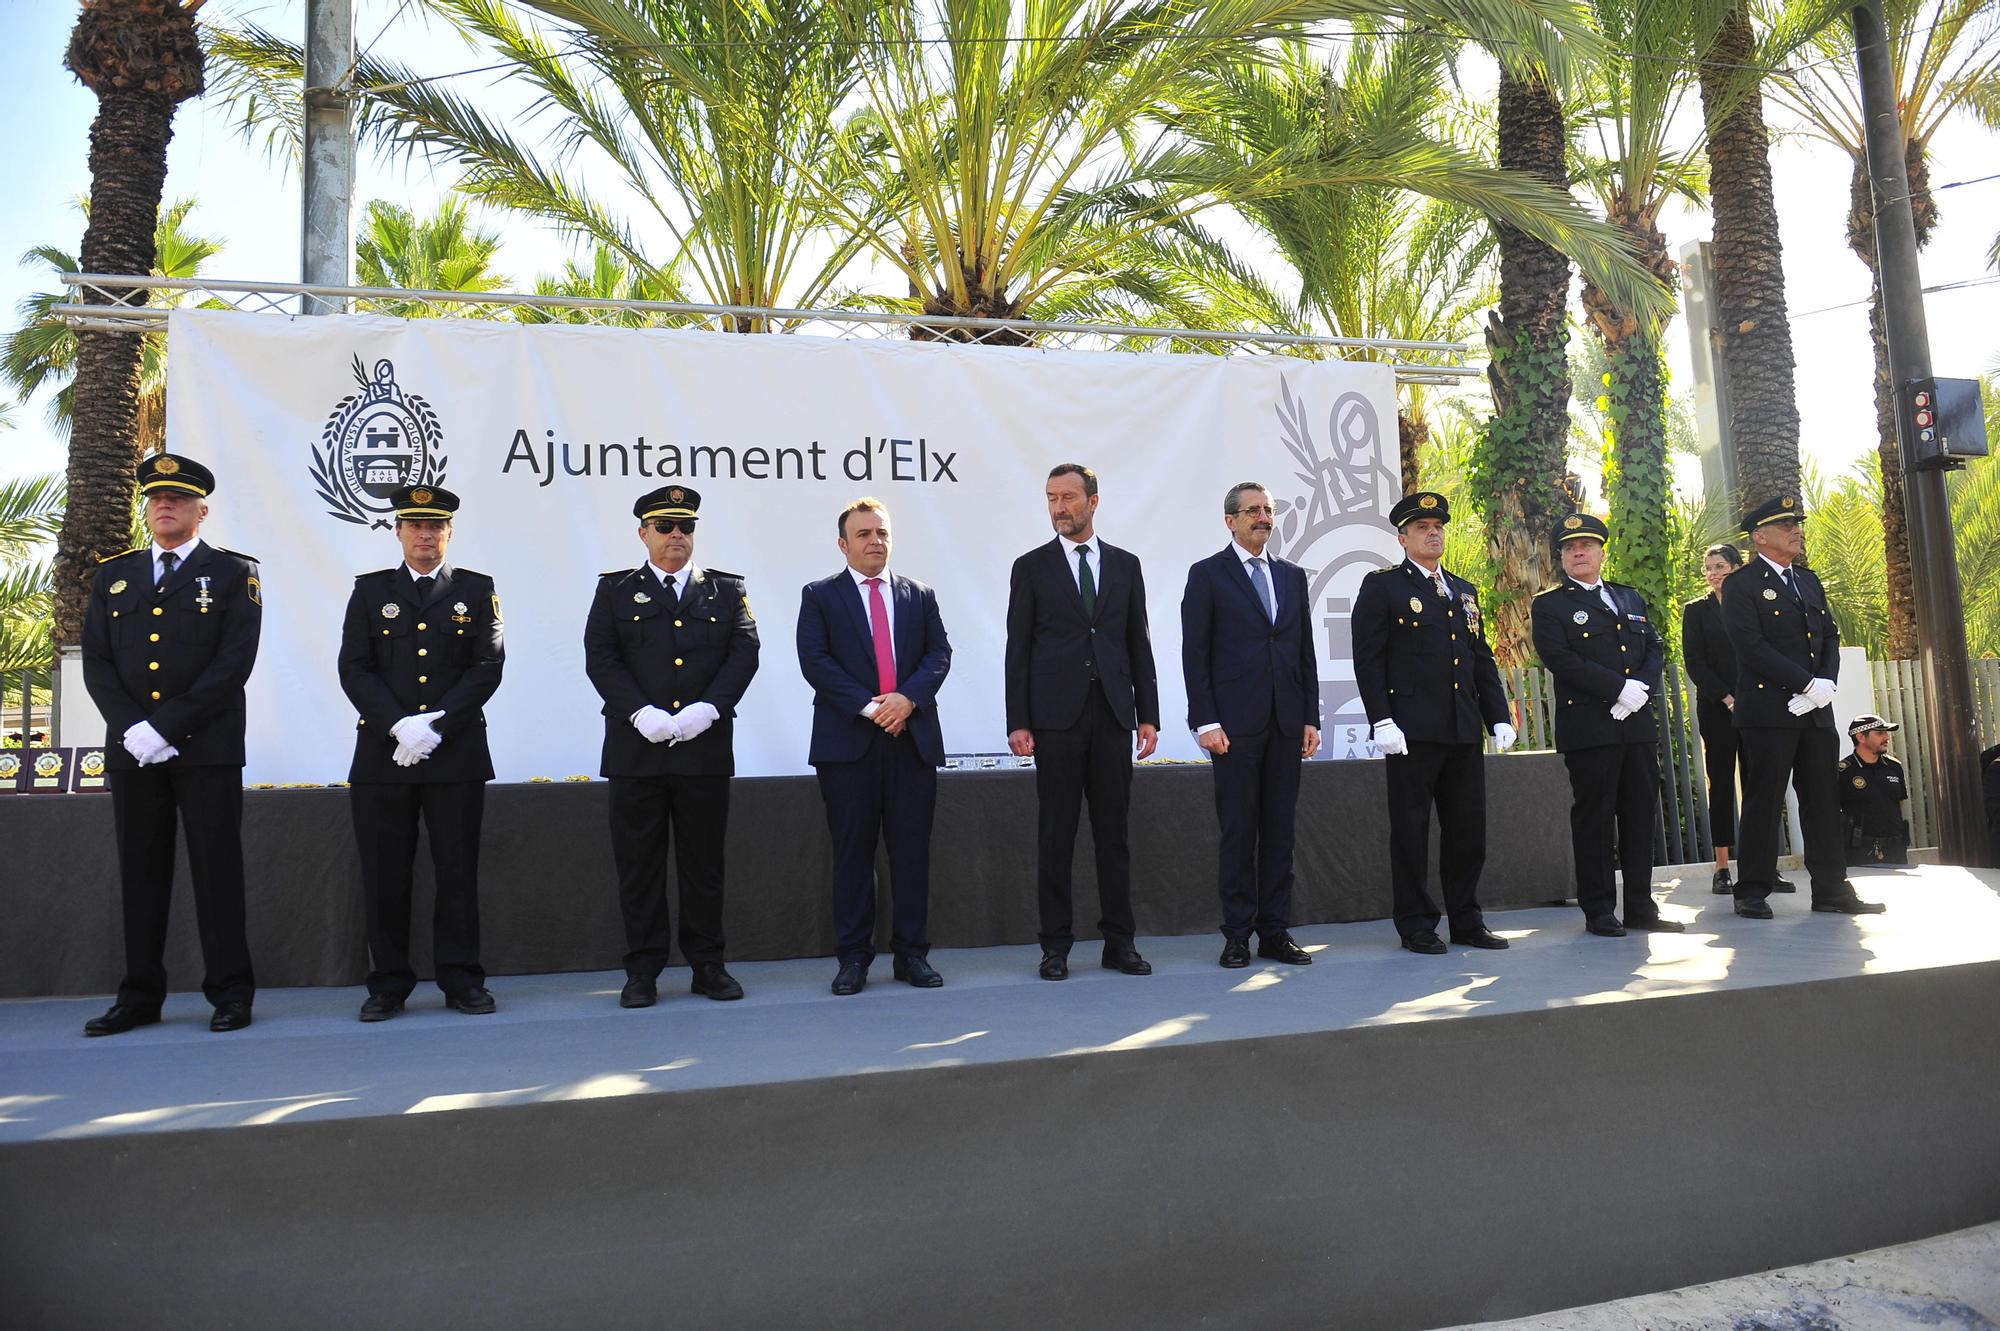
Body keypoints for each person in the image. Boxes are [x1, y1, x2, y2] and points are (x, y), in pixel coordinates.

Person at [79, 453, 262, 1036]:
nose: (164, 505)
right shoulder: (115, 575)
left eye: (178, 498)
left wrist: (166, 727)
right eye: (157, 498)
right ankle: (139, 996)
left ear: (200, 511)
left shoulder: (234, 575)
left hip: (204, 749)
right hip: (134, 751)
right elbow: (100, 663)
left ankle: (231, 993)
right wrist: (134, 728)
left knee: (217, 872)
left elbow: (233, 663)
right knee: (141, 872)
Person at [584, 484, 760, 1008]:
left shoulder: (726, 590)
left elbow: (744, 651)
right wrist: (640, 713)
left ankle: (709, 966)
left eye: (685, 527)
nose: (676, 536)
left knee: (703, 866)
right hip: (636, 752)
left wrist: (710, 709)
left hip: (702, 750)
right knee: (639, 867)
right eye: (664, 527)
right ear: (643, 534)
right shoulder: (615, 590)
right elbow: (601, 656)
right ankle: (642, 971)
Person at [337, 484, 505, 1020]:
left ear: (449, 533)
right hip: (384, 756)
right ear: (399, 531)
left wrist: (437, 728)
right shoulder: (370, 591)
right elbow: (354, 667)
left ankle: (461, 980)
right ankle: (387, 983)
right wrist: (400, 726)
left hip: (454, 754)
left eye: (435, 526)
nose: (425, 534)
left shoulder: (477, 590)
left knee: (456, 871)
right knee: (386, 874)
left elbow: (488, 666)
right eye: (415, 524)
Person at [1005, 464, 1160, 981]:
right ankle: (1055, 946)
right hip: (1055, 719)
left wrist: (1149, 715)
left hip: (1114, 715)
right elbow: (1018, 650)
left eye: (1068, 497)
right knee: (1056, 835)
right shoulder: (1030, 567)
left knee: (1114, 836)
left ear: (1093, 502)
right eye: (1051, 498)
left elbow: (1137, 641)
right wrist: (1018, 721)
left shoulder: (1125, 564)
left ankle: (1120, 942)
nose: (1059, 508)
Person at [797, 498, 953, 995]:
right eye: (863, 534)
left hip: (911, 742)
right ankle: (853, 959)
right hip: (849, 747)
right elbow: (815, 661)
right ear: (844, 544)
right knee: (852, 855)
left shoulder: (919, 595)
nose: (875, 542)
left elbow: (938, 654)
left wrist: (906, 699)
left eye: (882, 533)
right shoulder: (820, 595)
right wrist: (872, 708)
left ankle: (911, 956)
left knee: (911, 854)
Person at [1351, 491, 1516, 955]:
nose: (1434, 532)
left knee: (1468, 831)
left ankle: (1466, 919)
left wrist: (1497, 716)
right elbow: (1369, 660)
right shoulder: (1382, 587)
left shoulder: (1464, 590)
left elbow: (1480, 659)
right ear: (1403, 538)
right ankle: (1417, 923)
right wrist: (1381, 719)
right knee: (1411, 830)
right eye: (1422, 527)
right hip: (1411, 732)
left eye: (1438, 525)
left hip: (1462, 729)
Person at [1721, 493, 1884, 917]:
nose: (1797, 530)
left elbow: (1827, 635)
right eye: (1786, 525)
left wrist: (1824, 684)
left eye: (1798, 524)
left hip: (1813, 711)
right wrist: (1804, 682)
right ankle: (1751, 890)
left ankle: (1832, 889)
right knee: (1764, 799)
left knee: (1823, 799)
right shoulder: (1742, 584)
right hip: (1768, 712)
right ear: (1760, 537)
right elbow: (1749, 646)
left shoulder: (1807, 580)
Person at [1179, 481, 1321, 969]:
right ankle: (1237, 935)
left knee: (1280, 833)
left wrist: (1310, 716)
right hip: (1233, 729)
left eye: (1268, 510)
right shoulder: (1207, 575)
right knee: (1240, 832)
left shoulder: (1292, 576)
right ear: (1230, 521)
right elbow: (1194, 654)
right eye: (1252, 510)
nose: (1263, 517)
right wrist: (1205, 721)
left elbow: (1304, 650)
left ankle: (1275, 932)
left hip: (1285, 723)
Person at [1531, 513, 1684, 937]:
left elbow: (1655, 647)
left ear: (1601, 551)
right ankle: (1598, 909)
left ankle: (1641, 907)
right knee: (1595, 821)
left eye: (1585, 546)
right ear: (1561, 557)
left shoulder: (1628, 598)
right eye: (1569, 548)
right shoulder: (1550, 605)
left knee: (1639, 817)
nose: (1578, 553)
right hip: (1591, 729)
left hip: (1635, 726)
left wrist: (1640, 690)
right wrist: (1618, 690)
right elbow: (1560, 659)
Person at [1682, 542, 1750, 895]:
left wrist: (1750, 698)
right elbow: (1694, 663)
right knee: (1721, 783)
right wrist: (1726, 697)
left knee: (1758, 786)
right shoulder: (1696, 611)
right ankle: (1723, 868)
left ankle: (1760, 864)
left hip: (1755, 708)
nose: (1713, 574)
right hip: (1716, 708)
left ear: (1737, 568)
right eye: (1708, 568)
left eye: (1720, 566)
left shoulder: (1753, 606)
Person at [1837, 715, 1909, 867]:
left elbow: (1899, 803)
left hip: (1895, 850)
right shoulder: (1843, 771)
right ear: (1861, 737)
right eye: (1880, 733)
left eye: (1886, 733)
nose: (1887, 737)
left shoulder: (1894, 767)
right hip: (1859, 852)